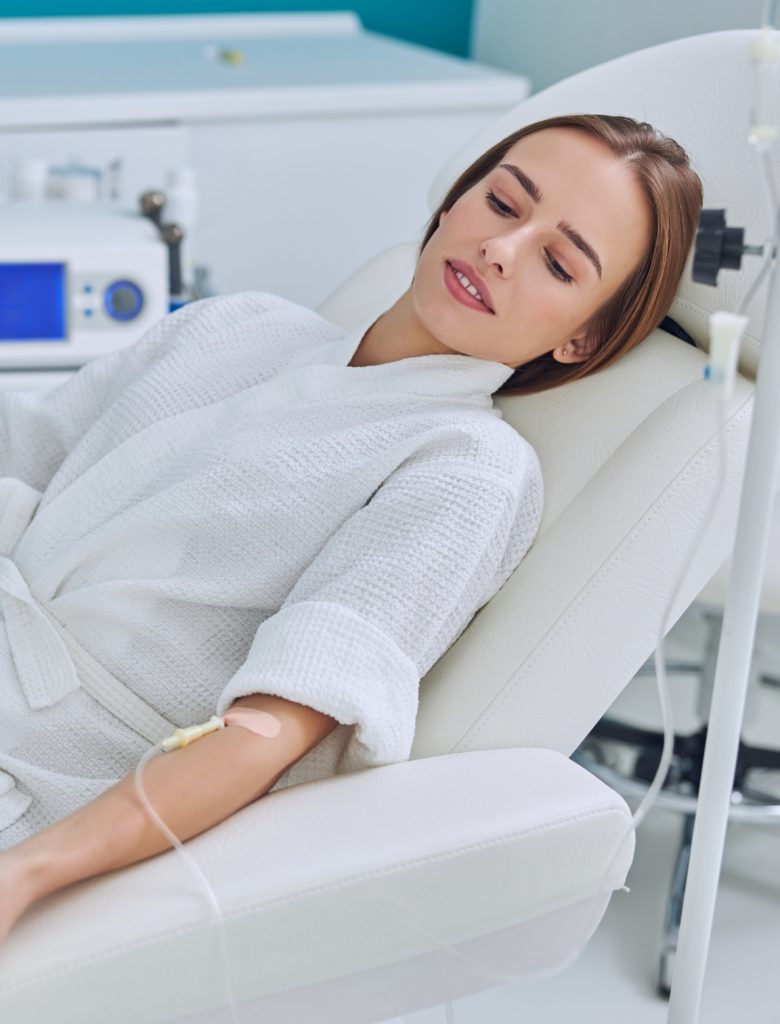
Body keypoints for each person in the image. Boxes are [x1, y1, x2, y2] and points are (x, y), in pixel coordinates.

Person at [0, 113, 702, 942]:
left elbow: (264, 737)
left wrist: (26, 872)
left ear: (582, 337)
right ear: (453, 204)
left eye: (557, 262)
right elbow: (25, 455)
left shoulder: (465, 468)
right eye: (504, 204)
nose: (502, 250)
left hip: (45, 770)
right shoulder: (235, 325)